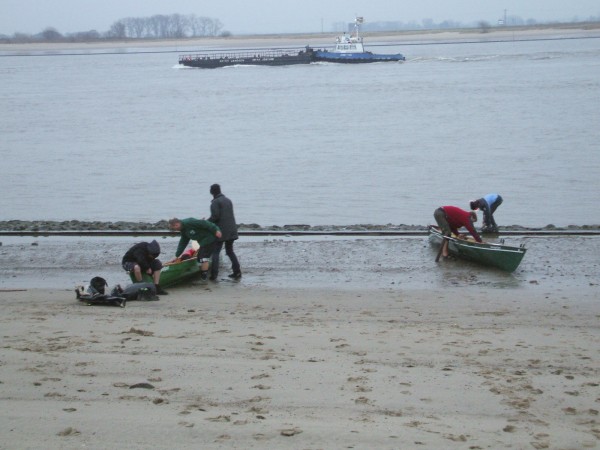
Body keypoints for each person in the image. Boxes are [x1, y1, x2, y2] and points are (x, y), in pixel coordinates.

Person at [168, 217, 222, 282]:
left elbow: (206, 223)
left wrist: (216, 230)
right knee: (199, 258)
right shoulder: (183, 229)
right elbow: (183, 242)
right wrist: (177, 255)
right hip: (202, 242)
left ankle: (203, 278)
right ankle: (203, 272)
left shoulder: (190, 222)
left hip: (210, 238)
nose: (175, 230)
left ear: (176, 224)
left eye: (174, 229)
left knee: (203, 258)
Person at [208, 183, 242, 281]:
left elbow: (215, 217)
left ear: (211, 192)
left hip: (221, 231)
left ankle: (214, 275)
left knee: (215, 252)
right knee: (230, 251)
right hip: (232, 230)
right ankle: (237, 272)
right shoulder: (228, 200)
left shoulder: (215, 202)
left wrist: (206, 223)